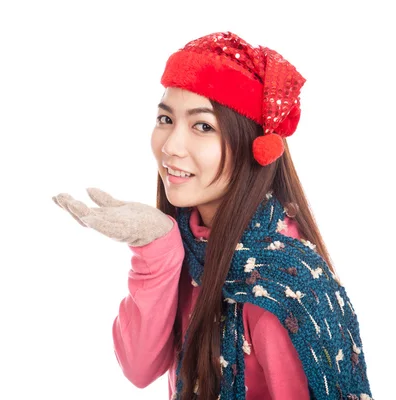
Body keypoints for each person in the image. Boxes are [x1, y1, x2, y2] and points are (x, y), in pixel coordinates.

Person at [52, 31, 372, 400]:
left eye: (202, 126)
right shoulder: (190, 242)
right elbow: (139, 368)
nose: (171, 146)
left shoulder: (279, 290)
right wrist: (156, 247)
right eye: (165, 119)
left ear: (253, 144)